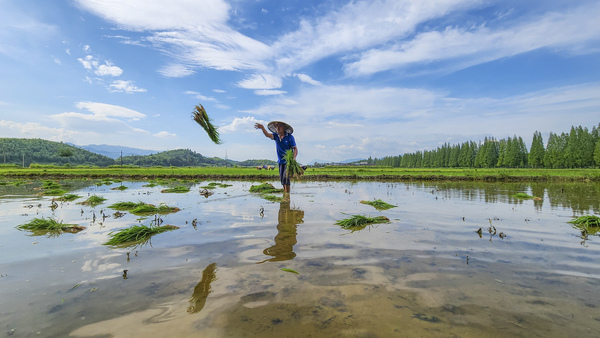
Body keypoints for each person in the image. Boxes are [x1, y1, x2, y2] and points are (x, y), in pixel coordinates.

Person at [254, 121, 298, 194]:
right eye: (276, 126)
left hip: (288, 161)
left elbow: (295, 148)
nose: (277, 128)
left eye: (279, 126)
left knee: (285, 178)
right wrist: (262, 128)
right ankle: (285, 193)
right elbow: (267, 135)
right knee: (282, 179)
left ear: (283, 127)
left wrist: (293, 158)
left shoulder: (290, 137)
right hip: (280, 161)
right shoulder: (276, 136)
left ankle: (287, 195)